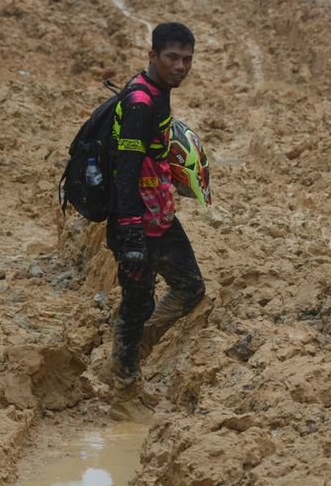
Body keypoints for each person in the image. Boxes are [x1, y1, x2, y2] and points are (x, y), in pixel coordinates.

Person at [104, 22, 206, 414]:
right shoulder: (141, 103)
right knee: (135, 304)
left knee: (190, 287)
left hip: (159, 213)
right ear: (152, 56)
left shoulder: (159, 94)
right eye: (172, 58)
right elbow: (125, 173)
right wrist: (130, 237)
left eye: (187, 59)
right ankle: (124, 396)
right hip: (136, 222)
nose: (181, 66)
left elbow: (150, 156)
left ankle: (123, 360)